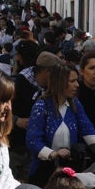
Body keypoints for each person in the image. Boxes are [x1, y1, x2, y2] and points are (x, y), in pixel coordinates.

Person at [26, 65, 95, 187]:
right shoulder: (41, 106)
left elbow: (87, 128)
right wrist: (52, 154)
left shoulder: (75, 104)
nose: (77, 85)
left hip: (69, 171)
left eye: (77, 80)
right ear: (59, 83)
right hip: (44, 172)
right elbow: (33, 140)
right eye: (72, 81)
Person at [9, 50, 62, 182]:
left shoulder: (48, 88)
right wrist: (16, 120)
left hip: (34, 149)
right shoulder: (18, 84)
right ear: (47, 72)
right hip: (15, 146)